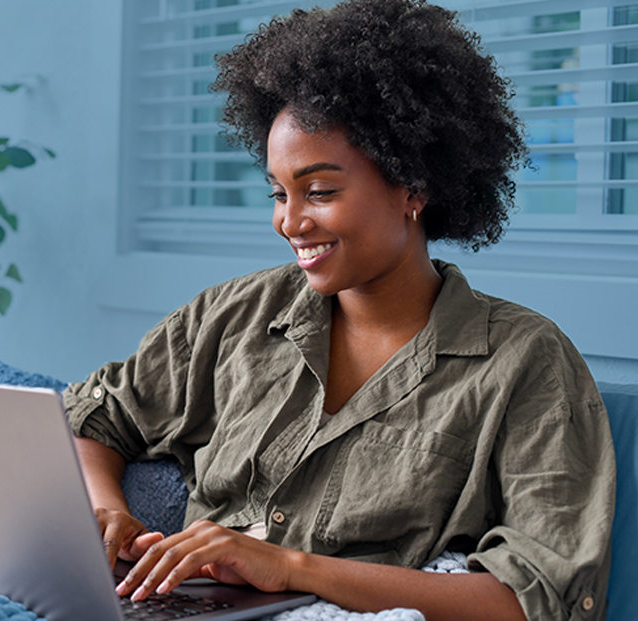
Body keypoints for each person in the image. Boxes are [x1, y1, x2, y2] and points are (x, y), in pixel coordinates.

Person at [63, 1, 616, 620]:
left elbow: (536, 599)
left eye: (320, 192)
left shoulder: (524, 360)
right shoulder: (234, 315)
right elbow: (95, 417)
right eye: (279, 192)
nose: (290, 222)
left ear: (413, 187)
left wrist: (292, 568)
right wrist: (104, 507)